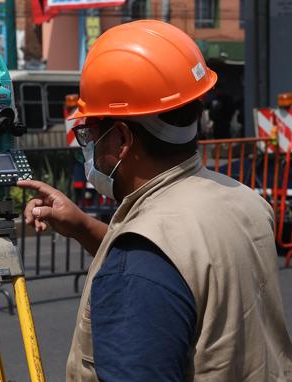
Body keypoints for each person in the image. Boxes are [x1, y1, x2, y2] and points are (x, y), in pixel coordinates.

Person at [18, 20, 292, 381]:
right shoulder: (244, 202)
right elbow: (186, 268)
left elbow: (155, 268)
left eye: (90, 133)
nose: (89, 146)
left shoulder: (138, 266)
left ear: (120, 139)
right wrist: (84, 226)